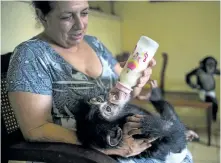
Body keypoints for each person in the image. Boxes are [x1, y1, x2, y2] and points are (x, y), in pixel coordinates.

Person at [7, 1, 193, 162]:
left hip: (125, 145)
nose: (80, 25)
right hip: (81, 155)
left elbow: (126, 93)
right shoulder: (30, 55)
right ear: (42, 16)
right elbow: (35, 129)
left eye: (85, 13)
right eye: (66, 17)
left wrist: (136, 82)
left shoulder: (94, 43)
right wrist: (107, 144)